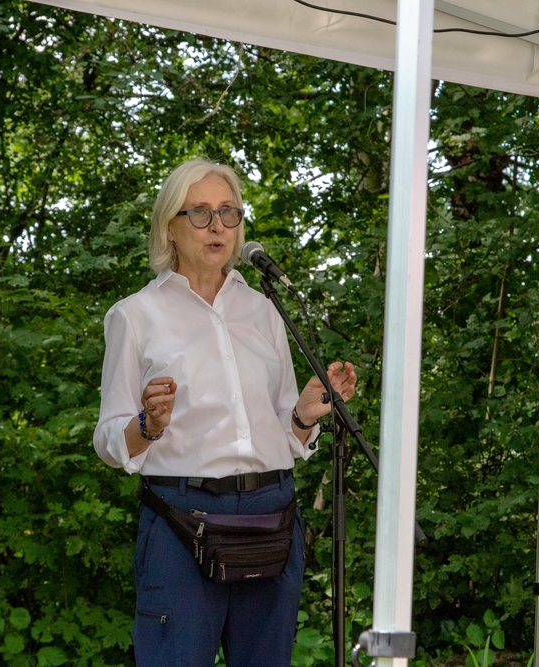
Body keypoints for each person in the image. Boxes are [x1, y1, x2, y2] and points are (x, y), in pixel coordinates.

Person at [93, 158, 357, 667]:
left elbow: (285, 432)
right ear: (169, 228)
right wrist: (147, 425)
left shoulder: (264, 310)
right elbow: (108, 438)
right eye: (200, 213)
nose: (217, 226)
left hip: (271, 517)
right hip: (181, 520)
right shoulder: (135, 315)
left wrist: (303, 416)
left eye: (228, 212)